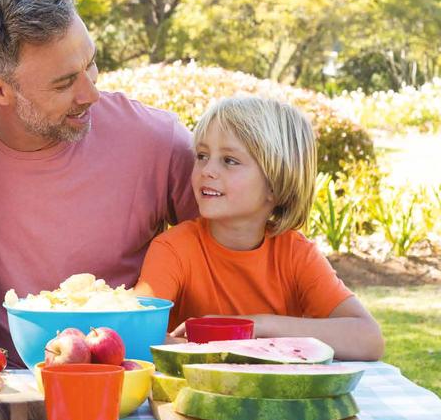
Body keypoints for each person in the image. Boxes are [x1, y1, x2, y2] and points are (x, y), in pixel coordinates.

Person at [0, 0, 198, 364]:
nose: (91, 93)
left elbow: (233, 259)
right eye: (63, 84)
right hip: (7, 386)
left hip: (133, 383)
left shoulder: (159, 142)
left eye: (91, 64)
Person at [135, 96, 384, 361]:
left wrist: (257, 327)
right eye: (202, 155)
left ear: (276, 184)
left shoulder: (295, 253)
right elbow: (135, 332)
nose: (207, 170)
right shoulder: (174, 248)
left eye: (229, 160)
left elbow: (368, 338)